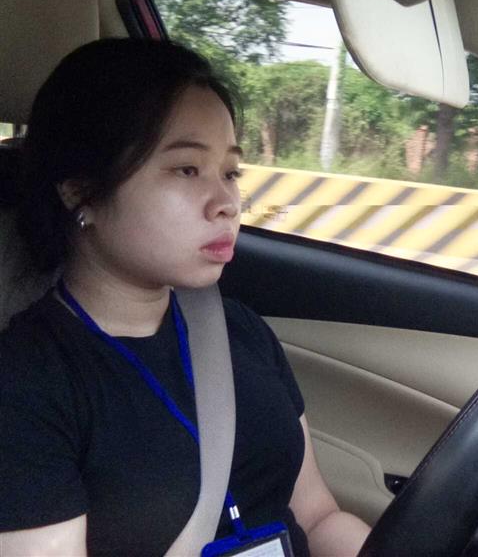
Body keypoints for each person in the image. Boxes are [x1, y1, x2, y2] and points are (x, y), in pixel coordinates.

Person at [0, 38, 371, 556]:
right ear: (80, 189)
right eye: (186, 170)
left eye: (231, 173)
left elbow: (319, 518)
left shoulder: (239, 331)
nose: (227, 203)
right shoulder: (27, 381)